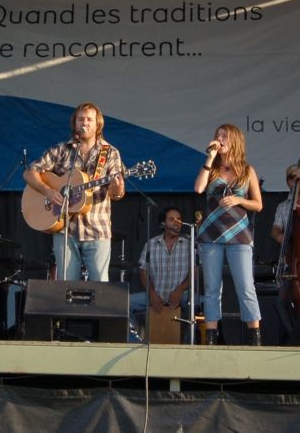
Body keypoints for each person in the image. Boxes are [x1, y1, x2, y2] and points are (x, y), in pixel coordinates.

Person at [24, 102, 125, 282]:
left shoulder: (110, 153)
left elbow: (116, 194)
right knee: (65, 288)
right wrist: (48, 192)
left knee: (100, 287)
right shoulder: (61, 150)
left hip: (97, 229)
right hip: (65, 230)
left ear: (97, 125)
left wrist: (117, 188)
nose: (84, 123)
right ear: (75, 123)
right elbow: (29, 173)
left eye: (89, 120)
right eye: (80, 119)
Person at [194, 123, 263, 345]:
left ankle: (255, 338)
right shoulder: (212, 168)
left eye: (224, 136)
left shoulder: (247, 170)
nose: (220, 138)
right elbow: (198, 189)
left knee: (245, 286)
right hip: (211, 235)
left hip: (239, 235)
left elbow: (258, 204)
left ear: (235, 140)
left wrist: (239, 200)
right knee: (211, 288)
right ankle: (211, 337)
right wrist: (210, 157)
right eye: (218, 135)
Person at [129, 207, 191, 341]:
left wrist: (180, 290)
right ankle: (135, 343)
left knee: (202, 304)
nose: (177, 223)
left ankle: (188, 344)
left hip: (182, 295)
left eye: (179, 219)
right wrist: (151, 293)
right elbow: (143, 271)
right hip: (155, 293)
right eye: (172, 219)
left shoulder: (189, 245)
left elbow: (195, 273)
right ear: (163, 224)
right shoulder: (151, 244)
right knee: (124, 304)